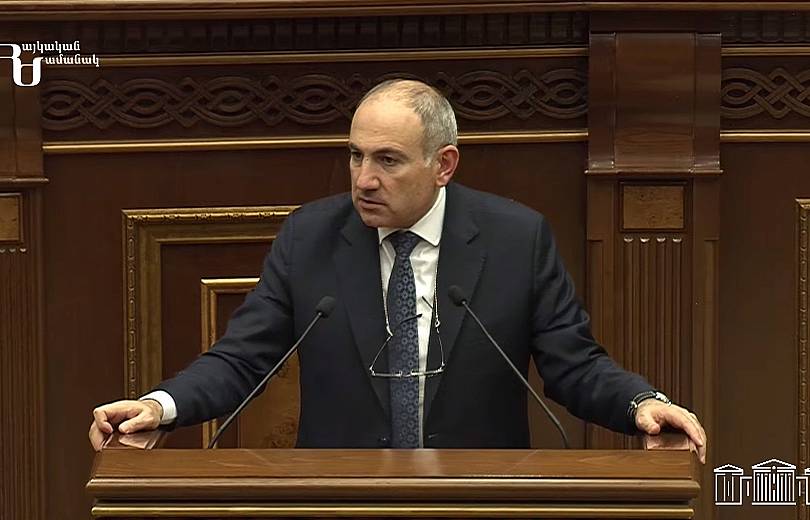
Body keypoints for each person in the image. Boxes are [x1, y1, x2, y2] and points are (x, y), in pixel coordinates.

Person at [89, 79, 707, 461]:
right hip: (340, 498)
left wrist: (639, 403)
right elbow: (242, 358)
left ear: (444, 165)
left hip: (479, 499)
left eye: (387, 160)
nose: (364, 179)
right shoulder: (310, 237)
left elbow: (573, 364)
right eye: (355, 155)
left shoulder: (516, 239)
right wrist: (160, 406)